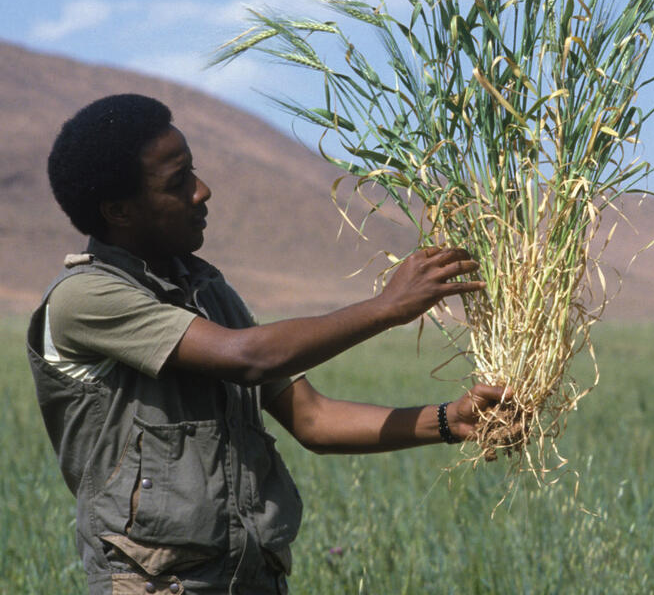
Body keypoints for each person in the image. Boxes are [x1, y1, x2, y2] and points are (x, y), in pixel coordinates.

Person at [27, 93, 503, 595]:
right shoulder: (85, 297)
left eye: (194, 171)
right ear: (119, 211)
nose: (202, 191)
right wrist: (386, 307)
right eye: (178, 182)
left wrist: (451, 420)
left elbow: (314, 419)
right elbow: (249, 358)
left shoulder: (210, 295)